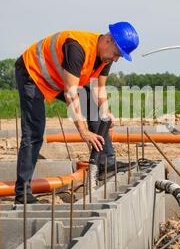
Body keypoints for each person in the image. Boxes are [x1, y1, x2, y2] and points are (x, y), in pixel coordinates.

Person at [14, 21, 140, 204]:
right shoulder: (77, 48)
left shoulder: (105, 57)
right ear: (108, 40)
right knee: (34, 133)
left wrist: (106, 113)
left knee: (95, 109)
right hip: (32, 74)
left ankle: (107, 162)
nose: (115, 59)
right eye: (116, 54)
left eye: (119, 56)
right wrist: (84, 131)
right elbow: (71, 92)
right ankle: (22, 194)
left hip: (57, 78)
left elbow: (99, 90)